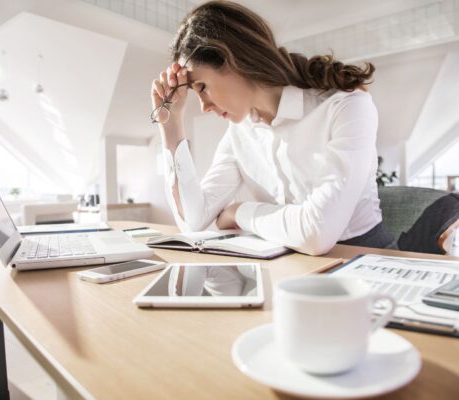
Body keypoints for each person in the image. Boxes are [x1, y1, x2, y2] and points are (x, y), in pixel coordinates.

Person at [150, 0, 459, 256]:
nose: (203, 105)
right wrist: (171, 124)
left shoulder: (345, 106)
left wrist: (240, 211)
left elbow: (316, 235)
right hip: (286, 262)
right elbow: (192, 221)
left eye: (202, 87)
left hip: (362, 259)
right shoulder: (240, 132)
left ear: (234, 61)